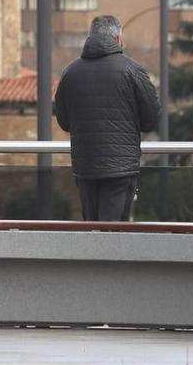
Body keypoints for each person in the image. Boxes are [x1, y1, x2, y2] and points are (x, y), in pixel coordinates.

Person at [52, 14, 162, 222]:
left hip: (85, 166)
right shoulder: (132, 70)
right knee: (113, 233)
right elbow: (151, 118)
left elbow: (64, 121)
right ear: (118, 38)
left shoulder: (70, 72)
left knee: (91, 228)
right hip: (121, 167)